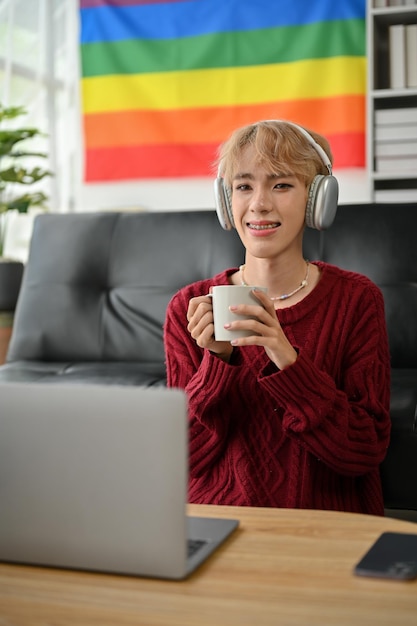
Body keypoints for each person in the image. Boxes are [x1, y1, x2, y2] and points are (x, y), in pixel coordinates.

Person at [163, 120, 391, 515]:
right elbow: (182, 460)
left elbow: (363, 451)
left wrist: (287, 360)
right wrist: (216, 364)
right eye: (244, 186)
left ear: (316, 199)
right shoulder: (189, 306)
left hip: (324, 526)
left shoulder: (357, 300)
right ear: (226, 201)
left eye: (281, 185)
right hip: (220, 525)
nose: (259, 204)